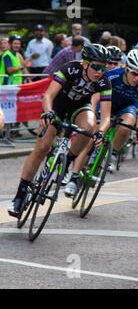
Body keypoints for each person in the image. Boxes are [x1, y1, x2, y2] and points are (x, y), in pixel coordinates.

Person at [8, 44, 112, 216]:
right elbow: (48, 95)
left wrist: (100, 131)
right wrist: (48, 112)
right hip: (57, 106)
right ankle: (20, 195)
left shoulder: (104, 82)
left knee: (89, 127)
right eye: (97, 66)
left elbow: (106, 116)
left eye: (104, 67)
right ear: (85, 63)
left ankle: (68, 162)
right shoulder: (70, 68)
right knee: (41, 148)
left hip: (79, 108)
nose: (100, 71)